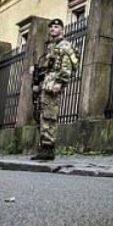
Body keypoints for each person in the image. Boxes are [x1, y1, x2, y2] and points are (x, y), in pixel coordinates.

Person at [31, 18, 79, 161]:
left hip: (53, 85)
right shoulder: (52, 47)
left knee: (49, 116)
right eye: (51, 27)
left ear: (62, 30)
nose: (52, 29)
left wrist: (60, 82)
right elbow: (48, 67)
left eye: (56, 27)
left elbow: (67, 65)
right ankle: (44, 147)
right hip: (46, 84)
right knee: (42, 115)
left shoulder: (64, 46)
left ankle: (48, 149)